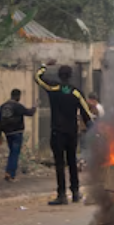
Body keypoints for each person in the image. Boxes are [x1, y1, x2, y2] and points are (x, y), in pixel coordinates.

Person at [36, 62, 94, 205]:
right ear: (71, 76)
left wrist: (44, 66)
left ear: (59, 75)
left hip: (57, 132)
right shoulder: (76, 92)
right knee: (72, 161)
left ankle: (61, 195)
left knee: (60, 164)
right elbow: (86, 113)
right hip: (71, 133)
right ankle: (75, 193)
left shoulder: (53, 88)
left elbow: (37, 78)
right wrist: (93, 131)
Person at [0, 89, 36, 182]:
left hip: (7, 133)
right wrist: (34, 107)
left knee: (12, 152)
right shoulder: (18, 106)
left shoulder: (3, 106)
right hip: (17, 133)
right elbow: (30, 113)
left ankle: (8, 172)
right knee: (14, 154)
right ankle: (10, 174)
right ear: (18, 96)